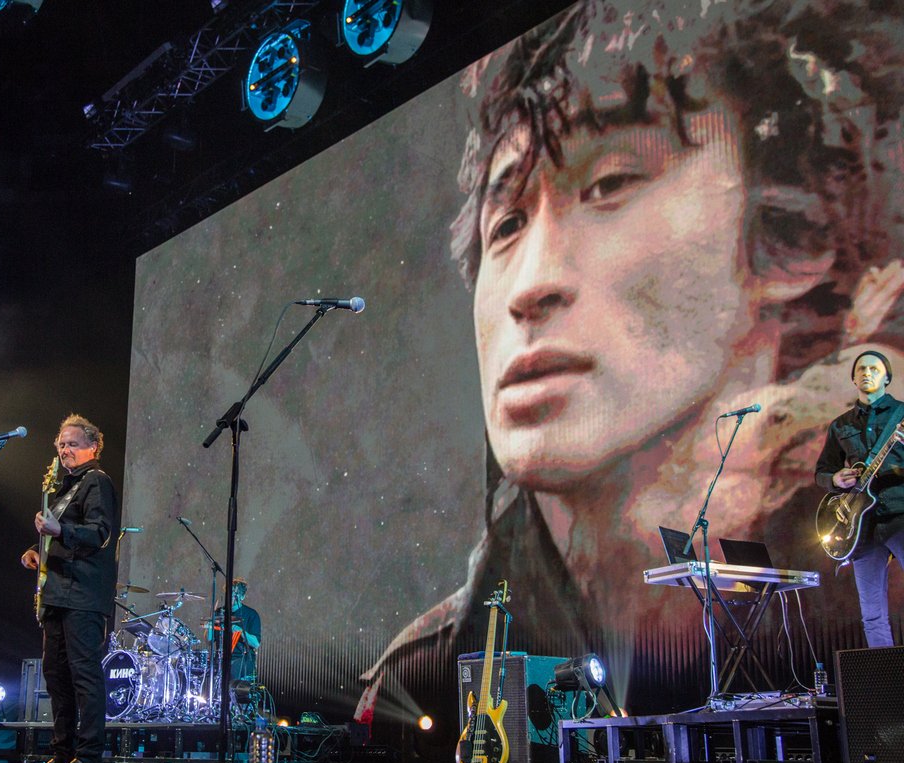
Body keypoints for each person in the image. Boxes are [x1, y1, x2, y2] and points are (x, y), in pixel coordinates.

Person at [359, 0, 904, 726]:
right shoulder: (424, 679)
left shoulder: (877, 588)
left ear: (789, 226)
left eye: (611, 183)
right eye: (507, 224)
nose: (529, 287)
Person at [19, 414, 120, 763]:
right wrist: (37, 549)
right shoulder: (66, 487)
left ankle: (90, 759)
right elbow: (60, 534)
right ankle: (62, 754)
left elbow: (99, 533)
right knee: (56, 677)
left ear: (93, 446)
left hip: (83, 594)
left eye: (72, 443)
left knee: (84, 676)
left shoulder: (97, 481)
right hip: (57, 594)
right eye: (61, 444)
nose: (64, 450)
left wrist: (59, 529)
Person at [815, 351, 904, 647]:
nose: (867, 372)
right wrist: (835, 480)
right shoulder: (841, 425)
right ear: (854, 378)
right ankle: (886, 686)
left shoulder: (900, 415)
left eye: (874, 369)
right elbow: (822, 472)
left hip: (899, 516)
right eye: (861, 369)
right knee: (872, 615)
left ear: (887, 378)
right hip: (860, 530)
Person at [209, 577, 261, 682]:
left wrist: (240, 631)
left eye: (234, 594)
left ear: (242, 596)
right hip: (221, 658)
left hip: (242, 659)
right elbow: (209, 639)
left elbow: (256, 643)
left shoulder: (251, 614)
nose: (230, 597)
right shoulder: (219, 613)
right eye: (228, 593)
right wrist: (211, 620)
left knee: (232, 671)